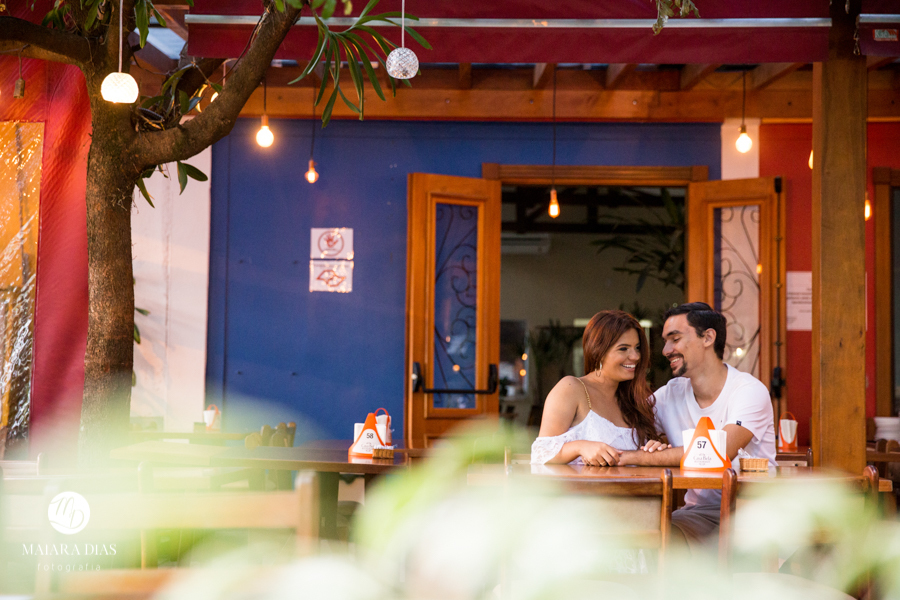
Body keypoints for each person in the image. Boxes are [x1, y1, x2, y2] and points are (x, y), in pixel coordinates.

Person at [618, 302, 777, 551]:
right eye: (666, 341)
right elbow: (622, 424)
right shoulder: (671, 393)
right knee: (643, 536)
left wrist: (633, 457)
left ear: (708, 337)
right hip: (699, 514)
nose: (666, 350)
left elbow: (716, 453)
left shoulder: (748, 390)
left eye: (675, 339)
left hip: (752, 515)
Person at [531, 310, 664, 466]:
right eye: (623, 348)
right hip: (583, 490)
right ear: (599, 351)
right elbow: (540, 454)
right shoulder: (571, 388)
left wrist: (652, 449)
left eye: (637, 348)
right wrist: (580, 446)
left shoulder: (634, 400)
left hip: (634, 489)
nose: (635, 356)